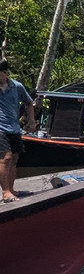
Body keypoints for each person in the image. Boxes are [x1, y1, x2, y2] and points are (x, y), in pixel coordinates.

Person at [0, 58, 36, 203]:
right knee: (5, 158)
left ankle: (12, 189)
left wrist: (31, 121)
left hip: (14, 127)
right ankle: (5, 192)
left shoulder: (17, 87)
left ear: (4, 73)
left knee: (14, 159)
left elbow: (29, 103)